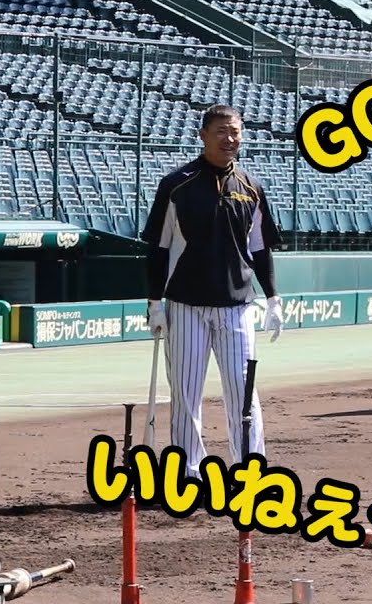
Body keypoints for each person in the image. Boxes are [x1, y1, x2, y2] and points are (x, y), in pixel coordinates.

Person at [142, 104, 285, 479]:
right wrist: (154, 303)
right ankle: (189, 472)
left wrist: (273, 298)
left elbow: (260, 249)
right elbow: (158, 248)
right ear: (203, 135)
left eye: (235, 131)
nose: (229, 138)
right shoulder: (177, 185)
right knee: (186, 394)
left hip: (237, 306)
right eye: (221, 131)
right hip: (185, 304)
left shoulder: (251, 187)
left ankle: (249, 469)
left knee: (243, 393)